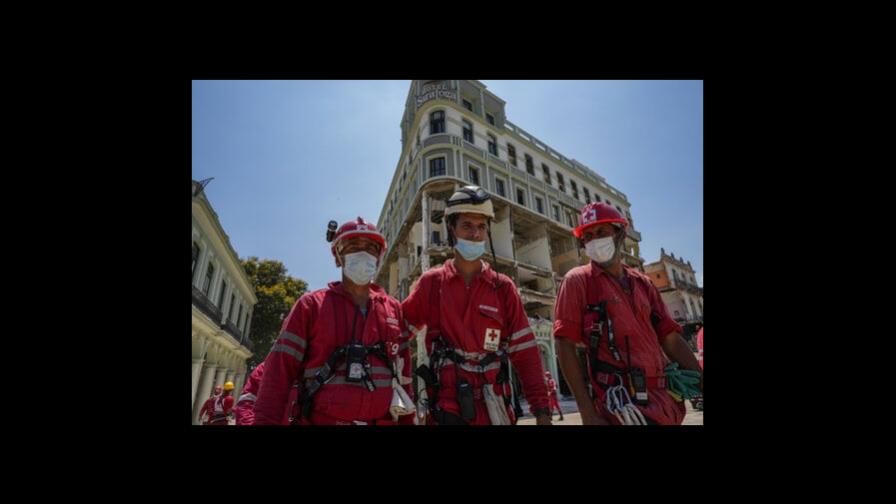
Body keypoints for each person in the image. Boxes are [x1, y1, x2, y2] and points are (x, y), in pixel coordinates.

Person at [402, 186, 551, 425]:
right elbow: (396, 334)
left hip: (495, 408)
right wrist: (403, 397)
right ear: (451, 228)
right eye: (467, 226)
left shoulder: (503, 288)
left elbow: (526, 354)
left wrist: (542, 411)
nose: (475, 234)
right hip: (446, 410)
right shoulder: (432, 283)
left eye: (481, 226)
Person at [252, 217, 415, 425]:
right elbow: (278, 375)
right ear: (338, 258)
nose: (363, 253)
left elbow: (404, 378)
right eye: (353, 247)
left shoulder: (394, 310)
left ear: (378, 259)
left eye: (371, 248)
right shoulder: (311, 306)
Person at [553, 202, 703, 425]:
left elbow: (670, 338)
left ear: (620, 233)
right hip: (620, 406)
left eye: (601, 232)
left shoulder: (643, 283)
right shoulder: (577, 281)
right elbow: (564, 345)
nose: (594, 240)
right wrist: (587, 414)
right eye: (588, 236)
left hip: (665, 401)